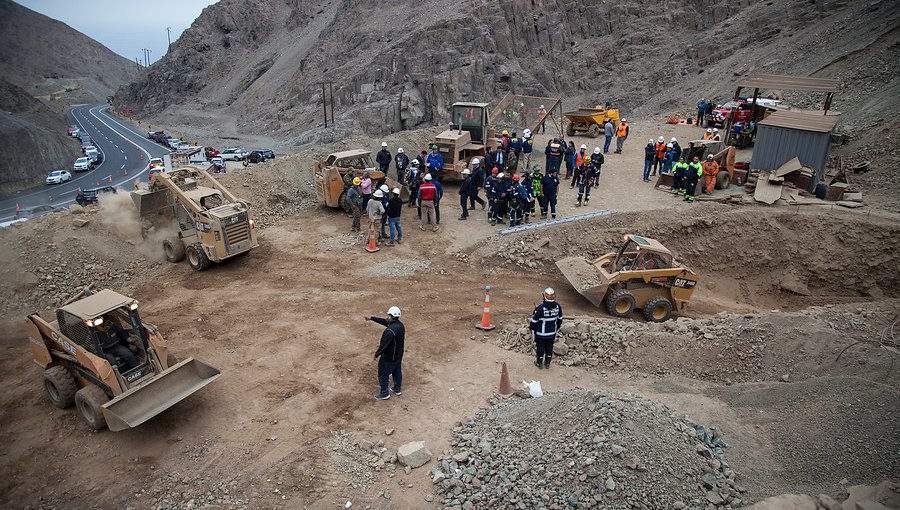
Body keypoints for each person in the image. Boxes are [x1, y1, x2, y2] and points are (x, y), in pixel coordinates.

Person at [367, 307, 404, 400]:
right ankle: (397, 389)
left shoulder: (390, 331)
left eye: (388, 315)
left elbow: (384, 345)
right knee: (397, 371)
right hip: (398, 355)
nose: (387, 317)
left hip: (389, 357)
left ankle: (384, 393)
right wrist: (372, 318)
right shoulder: (400, 325)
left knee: (383, 373)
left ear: (391, 316)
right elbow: (385, 322)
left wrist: (377, 354)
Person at [529, 288, 562, 369]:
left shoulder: (540, 308)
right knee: (549, 347)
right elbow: (560, 320)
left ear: (544, 296)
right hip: (552, 333)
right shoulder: (558, 306)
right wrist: (556, 328)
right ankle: (547, 363)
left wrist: (532, 328)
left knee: (540, 348)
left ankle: (539, 363)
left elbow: (533, 321)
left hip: (541, 334)